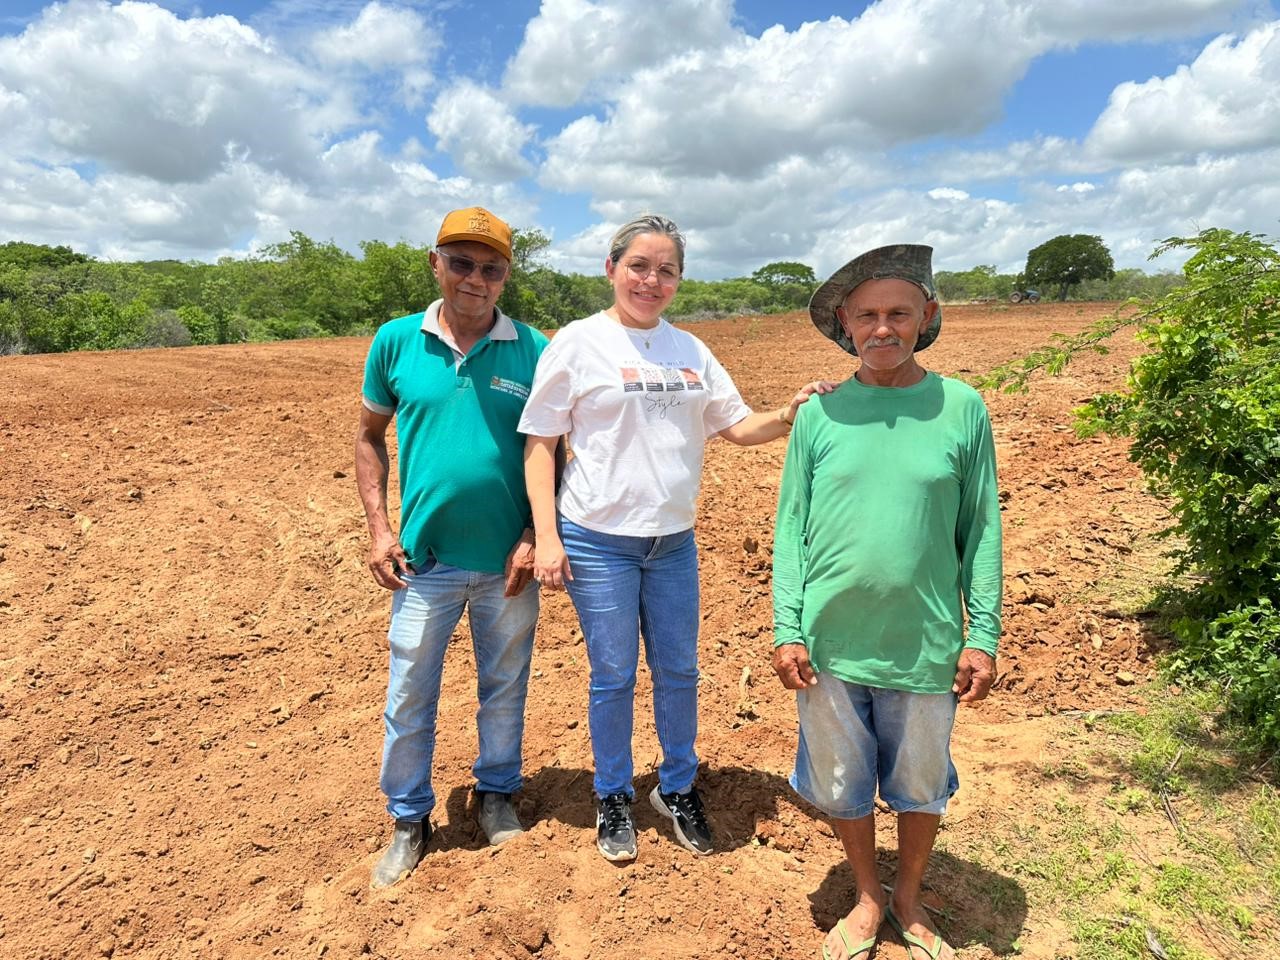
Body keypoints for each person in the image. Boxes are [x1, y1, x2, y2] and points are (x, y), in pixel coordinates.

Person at [520, 214, 833, 863]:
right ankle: (612, 794)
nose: (651, 280)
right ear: (611, 269)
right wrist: (546, 536)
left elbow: (736, 426)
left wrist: (788, 414)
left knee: (679, 670)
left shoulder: (690, 350)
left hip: (672, 544)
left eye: (666, 270)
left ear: (679, 280)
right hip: (598, 539)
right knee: (613, 674)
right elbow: (541, 444)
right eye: (639, 266)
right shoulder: (577, 343)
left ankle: (677, 787)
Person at [771, 244, 1002, 960]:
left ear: (926, 316)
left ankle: (908, 897)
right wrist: (787, 627)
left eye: (898, 313)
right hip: (831, 644)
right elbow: (791, 529)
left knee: (921, 783)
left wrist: (982, 635)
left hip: (926, 641)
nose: (882, 328)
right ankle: (869, 896)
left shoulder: (962, 408)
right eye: (866, 315)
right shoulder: (820, 414)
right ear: (844, 322)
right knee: (842, 783)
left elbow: (981, 529)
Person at [355, 206, 548, 889]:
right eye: (461, 262)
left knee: (505, 687)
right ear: (435, 263)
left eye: (491, 268)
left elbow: (556, 451)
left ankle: (496, 794)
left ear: (506, 276)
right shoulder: (396, 341)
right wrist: (380, 529)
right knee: (409, 693)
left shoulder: (535, 349)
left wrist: (535, 534)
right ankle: (409, 818)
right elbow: (369, 436)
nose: (475, 278)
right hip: (424, 561)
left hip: (507, 566)